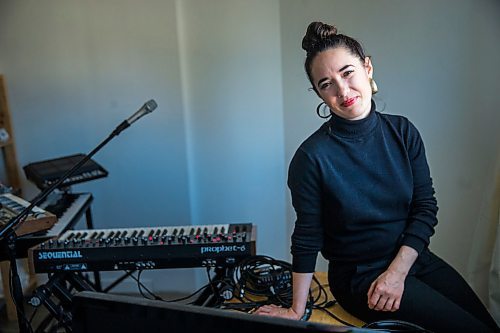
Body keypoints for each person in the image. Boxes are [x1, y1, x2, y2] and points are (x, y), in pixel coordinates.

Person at [255, 21, 500, 333]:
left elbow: (425, 208)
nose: (342, 91)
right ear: (318, 92)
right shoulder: (311, 158)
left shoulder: (403, 132)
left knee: (488, 326)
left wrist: (397, 272)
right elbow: (306, 236)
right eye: (326, 84)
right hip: (360, 277)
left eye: (347, 72)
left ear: (367, 68)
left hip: (414, 260)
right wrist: (295, 309)